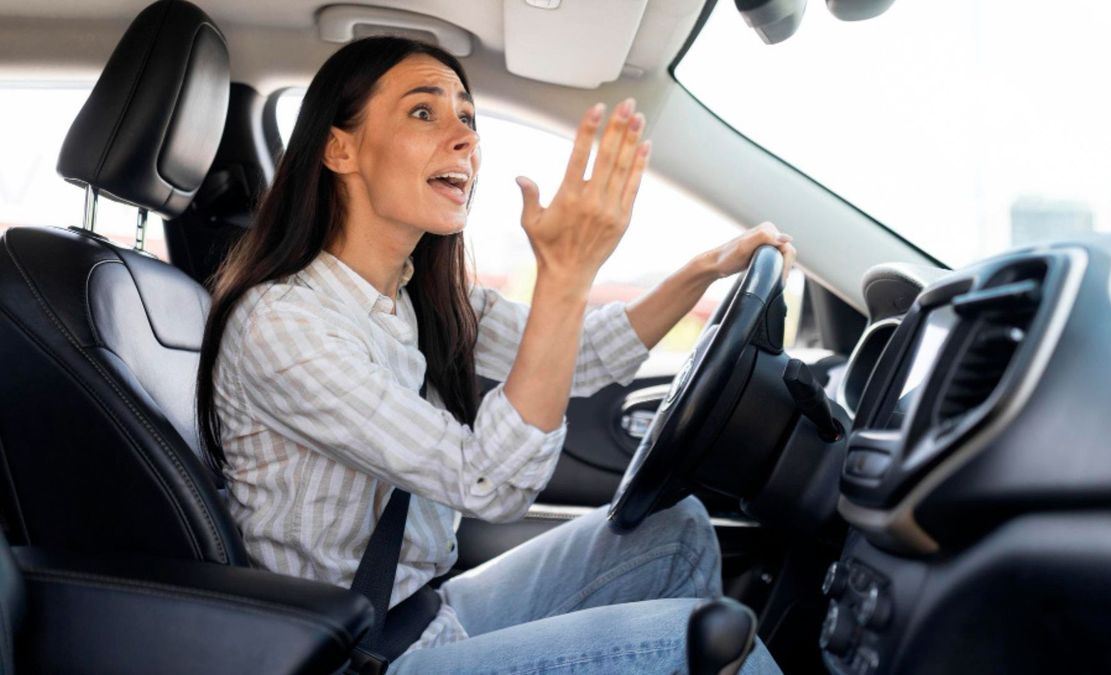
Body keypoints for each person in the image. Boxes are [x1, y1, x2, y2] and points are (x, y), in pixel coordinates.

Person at [196, 36, 794, 674]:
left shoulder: (416, 296)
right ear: (340, 149)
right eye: (424, 112)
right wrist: (564, 272)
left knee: (677, 534)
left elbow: (583, 354)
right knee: (694, 640)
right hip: (356, 654)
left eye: (468, 117)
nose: (464, 138)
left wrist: (706, 270)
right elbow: (488, 481)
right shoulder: (284, 325)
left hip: (420, 613)